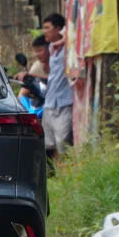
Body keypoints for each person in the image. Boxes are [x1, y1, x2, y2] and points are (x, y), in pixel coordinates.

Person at [39, 12, 73, 166]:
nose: (44, 31)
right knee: (50, 145)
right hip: (49, 103)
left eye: (47, 28)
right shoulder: (52, 49)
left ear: (58, 29)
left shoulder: (69, 47)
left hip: (64, 103)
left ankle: (66, 176)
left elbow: (72, 33)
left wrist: (64, 38)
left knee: (63, 146)